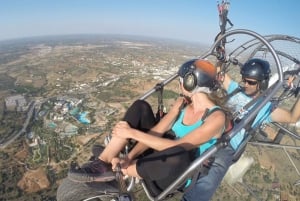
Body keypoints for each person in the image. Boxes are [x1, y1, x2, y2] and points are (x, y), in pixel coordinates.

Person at [68, 59, 230, 193]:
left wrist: (131, 133)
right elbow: (157, 132)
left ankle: (120, 175)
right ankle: (103, 162)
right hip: (154, 158)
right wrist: (129, 157)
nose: (180, 85)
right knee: (141, 107)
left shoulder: (216, 118)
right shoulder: (185, 106)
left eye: (181, 81)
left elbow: (177, 147)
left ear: (190, 82)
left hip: (171, 174)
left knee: (178, 153)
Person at [181, 58, 300, 201]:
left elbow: (292, 117)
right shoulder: (234, 88)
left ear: (261, 83)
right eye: (244, 80)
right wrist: (221, 58)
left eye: (251, 82)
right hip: (210, 129)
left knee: (212, 172)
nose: (246, 85)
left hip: (227, 145)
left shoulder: (266, 108)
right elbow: (218, 72)